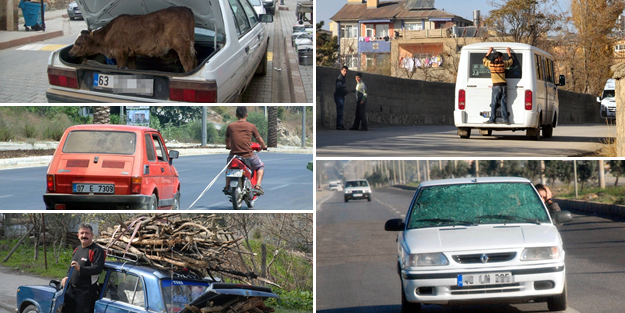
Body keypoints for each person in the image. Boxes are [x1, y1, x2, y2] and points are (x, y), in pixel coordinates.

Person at [61, 223, 105, 313]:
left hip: (86, 292)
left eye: (87, 233)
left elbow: (98, 269)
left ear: (92, 235)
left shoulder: (97, 250)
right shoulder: (77, 249)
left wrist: (81, 268)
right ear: (78, 235)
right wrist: (66, 277)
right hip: (71, 289)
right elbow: (72, 266)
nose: (84, 235)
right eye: (82, 233)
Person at [224, 106, 267, 195]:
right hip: (248, 156)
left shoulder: (230, 126)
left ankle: (227, 186)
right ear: (246, 115)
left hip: (233, 156)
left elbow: (227, 140)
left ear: (236, 115)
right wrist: (264, 146)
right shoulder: (251, 126)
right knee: (260, 166)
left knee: (229, 168)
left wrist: (228, 146)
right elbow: (260, 140)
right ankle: (258, 186)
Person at [483, 47, 514, 124]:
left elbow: (484, 60)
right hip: (503, 86)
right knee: (503, 102)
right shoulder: (503, 64)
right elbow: (511, 61)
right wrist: (509, 52)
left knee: (494, 103)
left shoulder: (491, 64)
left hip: (496, 86)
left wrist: (489, 52)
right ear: (499, 57)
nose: (503, 59)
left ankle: (492, 119)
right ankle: (505, 120)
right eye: (502, 57)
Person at [334, 66, 349, 130]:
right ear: (341, 70)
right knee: (340, 111)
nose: (345, 72)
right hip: (339, 96)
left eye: (346, 71)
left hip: (340, 96)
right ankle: (339, 126)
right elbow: (339, 88)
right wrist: (345, 92)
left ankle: (340, 124)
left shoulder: (343, 78)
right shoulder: (340, 78)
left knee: (340, 111)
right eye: (344, 71)